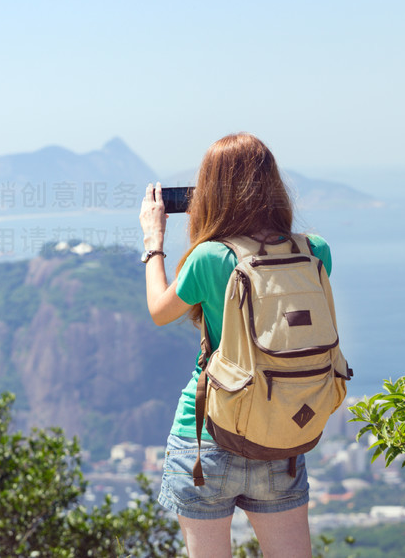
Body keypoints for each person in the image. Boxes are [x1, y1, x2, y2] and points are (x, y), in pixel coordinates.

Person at [138, 132, 329, 558]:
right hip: (282, 432)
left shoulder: (210, 258)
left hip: (207, 436)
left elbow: (159, 310)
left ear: (210, 192)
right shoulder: (316, 252)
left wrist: (154, 244)